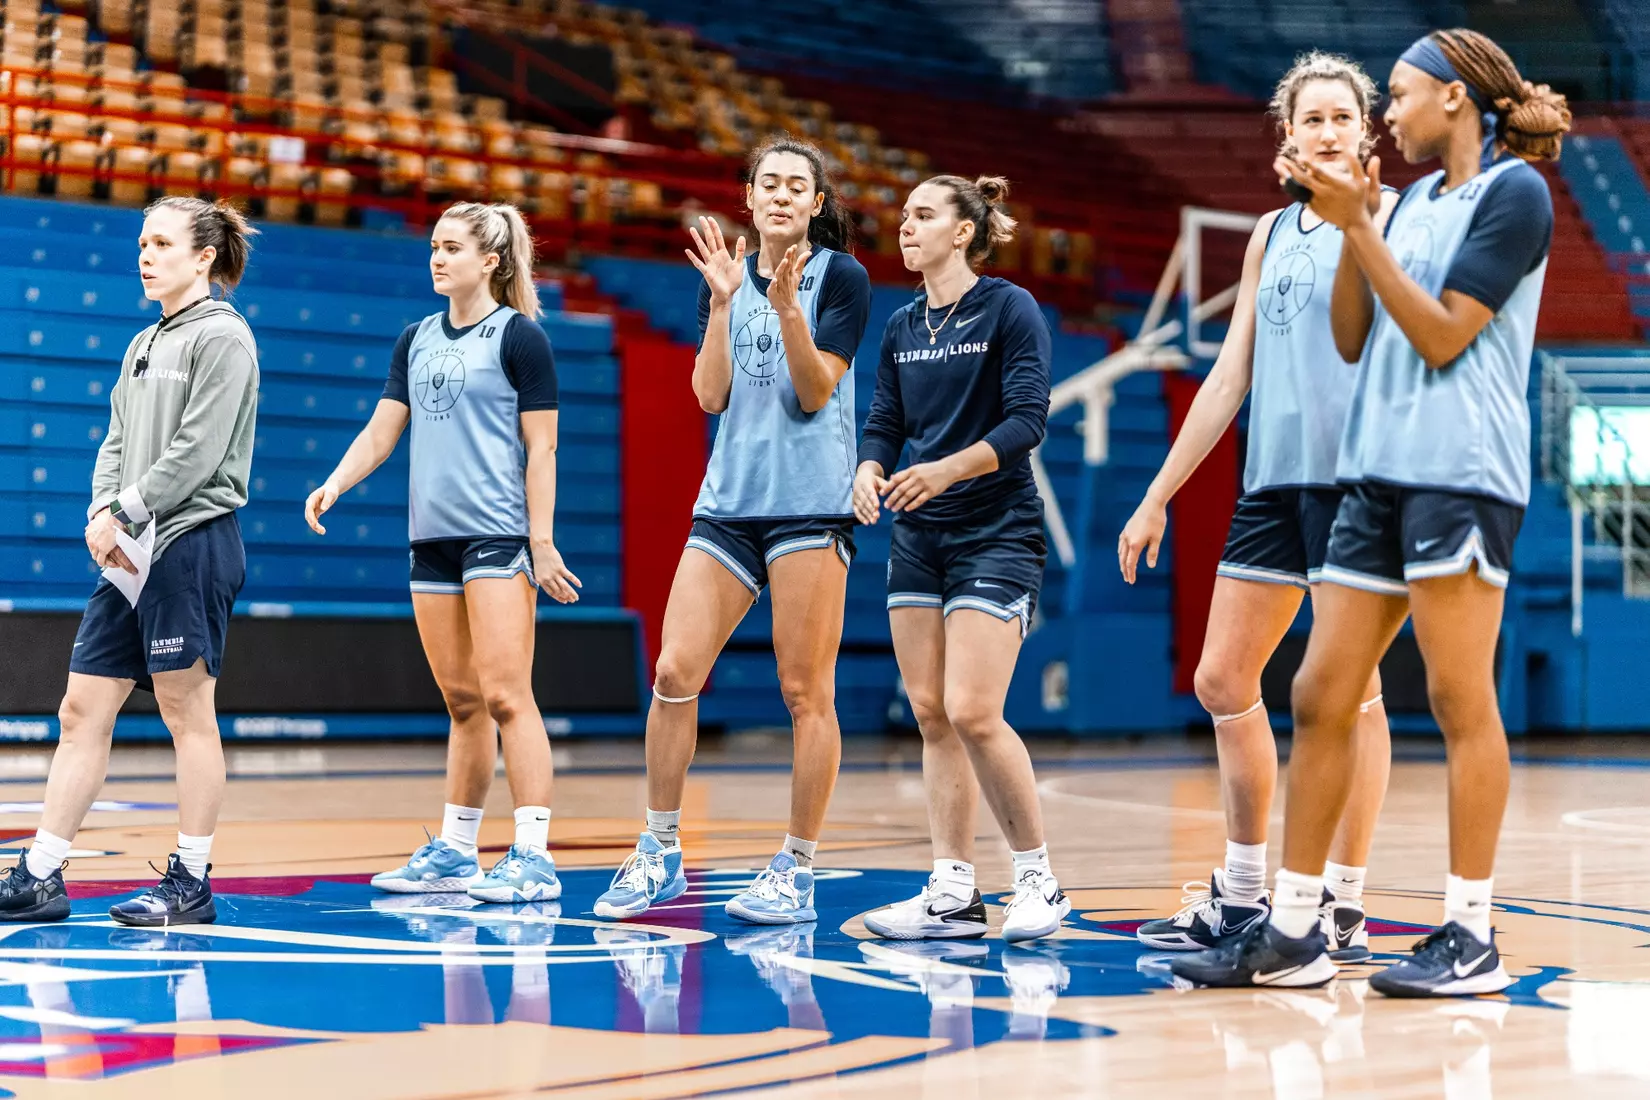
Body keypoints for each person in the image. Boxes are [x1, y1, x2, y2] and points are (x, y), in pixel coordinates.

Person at [1170, 28, 1569, 995]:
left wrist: (1355, 226)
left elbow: (1440, 338)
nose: (1387, 117)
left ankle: (1470, 932)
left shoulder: (1514, 194)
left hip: (1462, 471)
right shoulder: (1412, 203)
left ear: (1457, 99)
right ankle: (1297, 927)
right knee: (1316, 692)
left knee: (1455, 697)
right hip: (1379, 474)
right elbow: (1352, 336)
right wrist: (1346, 220)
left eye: (1398, 96)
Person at [1119, 53, 1398, 961]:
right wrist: (1158, 495)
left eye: (1341, 118)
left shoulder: (1393, 218)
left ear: (1369, 133)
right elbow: (1229, 375)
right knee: (1222, 682)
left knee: (1350, 698)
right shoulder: (1269, 233)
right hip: (1272, 488)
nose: (1326, 131)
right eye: (1311, 119)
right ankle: (1245, 892)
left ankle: (1342, 902)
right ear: (1286, 138)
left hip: (1359, 488)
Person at [594, 135, 871, 924]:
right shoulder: (725, 277)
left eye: (797, 186)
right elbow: (709, 397)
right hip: (728, 506)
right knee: (675, 672)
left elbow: (817, 392)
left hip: (810, 507)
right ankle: (658, 851)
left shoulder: (840, 278)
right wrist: (722, 305)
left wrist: (786, 309)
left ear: (817, 205)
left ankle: (797, 866)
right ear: (748, 199)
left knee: (802, 690)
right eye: (768, 184)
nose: (781, 195)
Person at [307, 201, 580, 904]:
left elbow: (543, 448)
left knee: (506, 696)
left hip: (497, 537)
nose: (437, 256)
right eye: (434, 245)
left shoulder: (520, 338)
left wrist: (540, 542)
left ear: (490, 261)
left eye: (452, 247)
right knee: (463, 704)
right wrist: (335, 481)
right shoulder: (416, 338)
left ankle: (532, 857)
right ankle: (458, 853)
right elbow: (382, 428)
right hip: (431, 542)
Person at [0, 197, 260, 926]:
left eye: (162, 242)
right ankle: (42, 874)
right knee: (81, 709)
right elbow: (117, 439)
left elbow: (198, 451)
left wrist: (128, 510)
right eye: (142, 242)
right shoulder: (143, 342)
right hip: (130, 547)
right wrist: (100, 513)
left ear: (204, 256)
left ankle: (192, 880)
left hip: (191, 542)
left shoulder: (224, 338)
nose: (146, 255)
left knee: (187, 712)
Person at [854, 175, 1068, 943]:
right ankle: (952, 890)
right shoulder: (902, 323)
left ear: (963, 232)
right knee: (932, 712)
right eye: (904, 215)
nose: (905, 226)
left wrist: (945, 468)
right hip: (919, 536)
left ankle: (1038, 879)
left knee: (975, 709)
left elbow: (1027, 420)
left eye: (922, 215)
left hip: (997, 530)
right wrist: (867, 467)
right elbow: (884, 417)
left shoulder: (1009, 308)